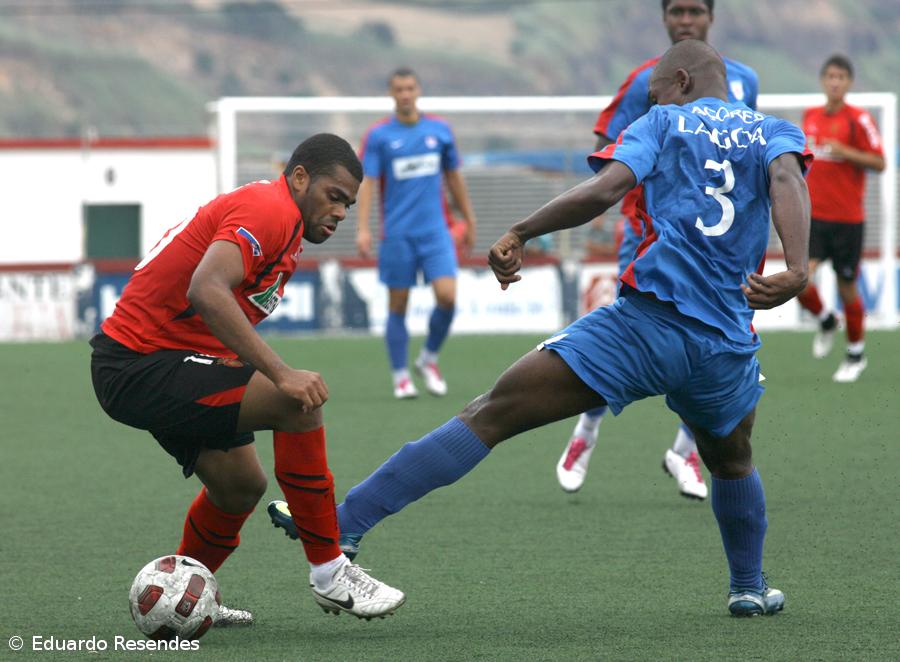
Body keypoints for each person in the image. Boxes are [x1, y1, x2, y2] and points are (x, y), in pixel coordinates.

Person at [271, 40, 812, 616]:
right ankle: (749, 588)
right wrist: (798, 268)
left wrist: (523, 231)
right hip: (724, 341)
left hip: (646, 326)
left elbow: (605, 190)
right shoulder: (773, 131)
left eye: (653, 91)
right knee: (731, 460)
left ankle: (343, 525)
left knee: (491, 413)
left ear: (678, 81)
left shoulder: (664, 119)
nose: (650, 100)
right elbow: (787, 181)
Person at [89, 134, 406, 623]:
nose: (341, 212)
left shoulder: (287, 230)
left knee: (239, 485)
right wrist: (280, 374)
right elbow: (206, 288)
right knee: (298, 401)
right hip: (138, 364)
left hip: (167, 362)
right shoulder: (270, 210)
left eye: (348, 204)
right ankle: (330, 572)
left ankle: (186, 597)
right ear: (300, 177)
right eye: (334, 196)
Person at [558, 0, 760, 499]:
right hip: (654, 239)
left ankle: (685, 450)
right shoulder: (646, 80)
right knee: (623, 335)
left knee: (718, 345)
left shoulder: (745, 81)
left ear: (711, 17)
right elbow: (609, 146)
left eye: (694, 11)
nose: (685, 19)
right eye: (676, 11)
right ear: (664, 19)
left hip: (724, 248)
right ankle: (585, 432)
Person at [356, 67, 477, 399]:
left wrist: (469, 219)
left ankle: (428, 359)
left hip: (436, 232)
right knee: (399, 305)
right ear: (391, 94)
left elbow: (454, 177)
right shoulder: (379, 136)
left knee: (448, 297)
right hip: (397, 234)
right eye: (399, 89)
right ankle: (400, 376)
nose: (405, 94)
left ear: (418, 90)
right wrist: (363, 228)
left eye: (410, 88)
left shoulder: (439, 130)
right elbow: (368, 183)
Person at [796, 54, 885, 383]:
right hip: (815, 216)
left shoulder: (858, 120)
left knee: (847, 286)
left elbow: (880, 162)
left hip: (848, 219)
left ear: (849, 83)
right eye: (830, 76)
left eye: (841, 77)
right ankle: (825, 320)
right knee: (800, 279)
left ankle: (855, 353)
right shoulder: (810, 116)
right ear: (822, 80)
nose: (835, 82)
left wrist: (844, 151)